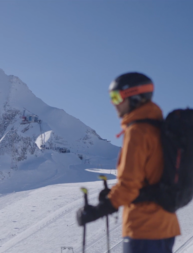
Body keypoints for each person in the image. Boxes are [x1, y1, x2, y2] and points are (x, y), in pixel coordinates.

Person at [76, 72, 180, 253]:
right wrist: (112, 195)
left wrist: (98, 210)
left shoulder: (138, 132)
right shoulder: (158, 129)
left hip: (144, 228)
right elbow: (147, 178)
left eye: (116, 97)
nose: (113, 103)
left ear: (134, 96)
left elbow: (129, 186)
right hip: (166, 225)